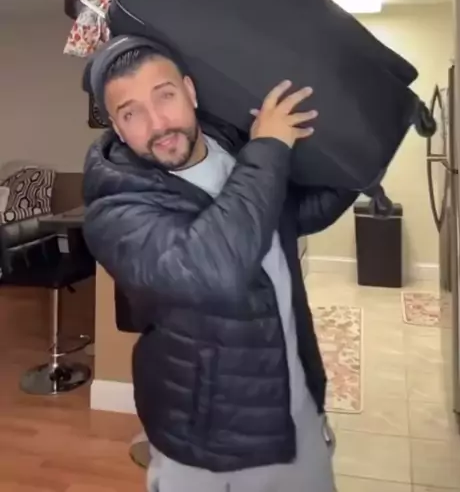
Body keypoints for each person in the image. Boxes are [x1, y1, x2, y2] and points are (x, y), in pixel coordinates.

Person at [82, 34, 358, 492]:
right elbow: (216, 271)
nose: (157, 123)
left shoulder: (234, 147)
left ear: (190, 91)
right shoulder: (114, 212)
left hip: (296, 414)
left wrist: (360, 160)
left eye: (165, 96)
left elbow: (291, 216)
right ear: (116, 126)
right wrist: (269, 149)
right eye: (131, 113)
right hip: (209, 448)